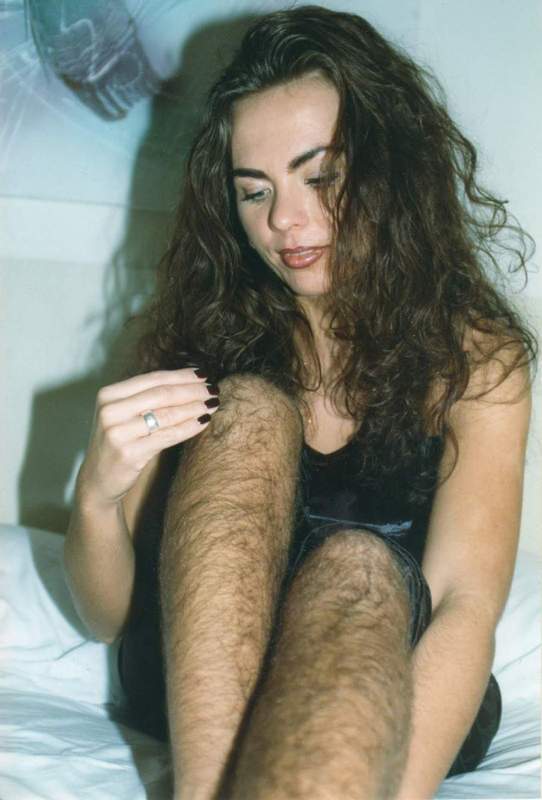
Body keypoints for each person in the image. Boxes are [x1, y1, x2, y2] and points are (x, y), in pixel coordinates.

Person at [63, 6, 536, 799]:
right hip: (206, 692)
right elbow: (106, 618)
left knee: (359, 565)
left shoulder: (475, 361)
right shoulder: (200, 342)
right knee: (249, 408)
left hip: (374, 682)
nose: (284, 220)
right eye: (254, 192)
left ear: (392, 170)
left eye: (320, 177)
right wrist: (95, 497)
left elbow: (462, 606)